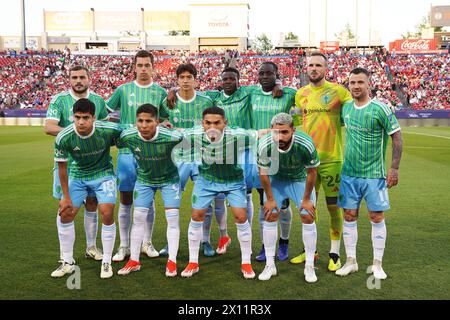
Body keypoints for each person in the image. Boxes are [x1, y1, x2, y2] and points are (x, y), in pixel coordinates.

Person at [335, 67, 403, 280]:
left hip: (374, 174)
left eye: (360, 82)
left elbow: (397, 137)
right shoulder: (346, 109)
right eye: (352, 82)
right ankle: (351, 262)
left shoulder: (381, 109)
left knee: (376, 216)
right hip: (349, 174)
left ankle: (377, 264)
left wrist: (394, 168)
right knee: (349, 215)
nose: (356, 86)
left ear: (368, 84)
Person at [291, 51, 352, 272]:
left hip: (332, 160)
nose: (314, 68)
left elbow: (353, 110)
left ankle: (335, 253)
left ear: (325, 69)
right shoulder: (300, 94)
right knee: (308, 207)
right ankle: (311, 251)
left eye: (318, 65)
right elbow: (297, 120)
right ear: (305, 68)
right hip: (308, 161)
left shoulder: (339, 91)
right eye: (310, 65)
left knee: (334, 208)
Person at [179, 107, 257, 279]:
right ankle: (193, 262)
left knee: (241, 217)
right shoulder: (193, 135)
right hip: (206, 180)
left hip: (233, 181)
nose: (212, 126)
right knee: (196, 215)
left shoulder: (239, 135)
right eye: (208, 122)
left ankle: (246, 262)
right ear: (202, 123)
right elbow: (177, 135)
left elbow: (259, 134)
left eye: (217, 122)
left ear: (225, 123)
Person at [51, 98, 122, 279]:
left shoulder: (108, 130)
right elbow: (62, 168)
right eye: (77, 117)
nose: (81, 122)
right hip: (78, 174)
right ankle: (67, 261)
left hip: (103, 174)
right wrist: (65, 197)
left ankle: (106, 261)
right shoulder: (64, 136)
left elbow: (129, 131)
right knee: (65, 212)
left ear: (94, 117)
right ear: (72, 117)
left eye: (85, 117)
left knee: (106, 211)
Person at [107, 50, 167, 262]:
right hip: (126, 152)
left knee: (148, 198)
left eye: (147, 65)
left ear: (153, 67)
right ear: (134, 67)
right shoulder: (123, 90)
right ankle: (123, 246)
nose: (143, 69)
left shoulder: (160, 92)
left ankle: (146, 242)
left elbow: (167, 120)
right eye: (139, 65)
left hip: (151, 153)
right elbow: (105, 114)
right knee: (125, 199)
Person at [45, 65, 109, 262]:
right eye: (75, 77)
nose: (79, 80)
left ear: (89, 78)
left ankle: (91, 247)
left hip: (93, 164)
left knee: (92, 204)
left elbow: (105, 128)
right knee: (66, 207)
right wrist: (77, 133)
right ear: (69, 79)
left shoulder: (97, 100)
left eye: (82, 77)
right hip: (67, 163)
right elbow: (49, 126)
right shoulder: (59, 100)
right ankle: (65, 257)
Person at [159, 63, 221, 257]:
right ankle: (172, 242)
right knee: (172, 200)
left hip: (203, 157)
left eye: (189, 77)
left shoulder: (206, 100)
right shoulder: (168, 102)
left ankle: (206, 240)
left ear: (195, 79)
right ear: (177, 80)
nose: (185, 81)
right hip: (178, 157)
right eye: (182, 77)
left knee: (207, 200)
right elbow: (159, 121)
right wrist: (163, 123)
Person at [116, 104, 184, 277]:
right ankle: (134, 260)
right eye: (140, 121)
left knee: (172, 218)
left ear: (157, 122)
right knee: (138, 217)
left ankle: (172, 262)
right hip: (145, 180)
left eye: (148, 121)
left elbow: (192, 138)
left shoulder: (172, 137)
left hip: (169, 180)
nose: (144, 125)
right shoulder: (128, 136)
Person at [257, 113, 320, 282]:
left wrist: (306, 199)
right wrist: (270, 199)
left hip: (299, 180)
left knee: (308, 216)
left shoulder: (305, 143)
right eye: (276, 132)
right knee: (270, 215)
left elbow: (312, 171)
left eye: (284, 132)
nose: (280, 137)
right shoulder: (264, 144)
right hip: (276, 179)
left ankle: (309, 266)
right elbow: (263, 173)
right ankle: (270, 265)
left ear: (293, 130)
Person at [250, 62, 297, 262]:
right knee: (264, 205)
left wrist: (280, 85)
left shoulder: (288, 93)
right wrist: (173, 88)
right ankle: (266, 244)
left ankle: (284, 242)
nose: (265, 76)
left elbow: (307, 96)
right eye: (262, 73)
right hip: (260, 158)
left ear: (277, 75)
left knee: (283, 206)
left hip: (283, 157)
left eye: (270, 74)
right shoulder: (251, 93)